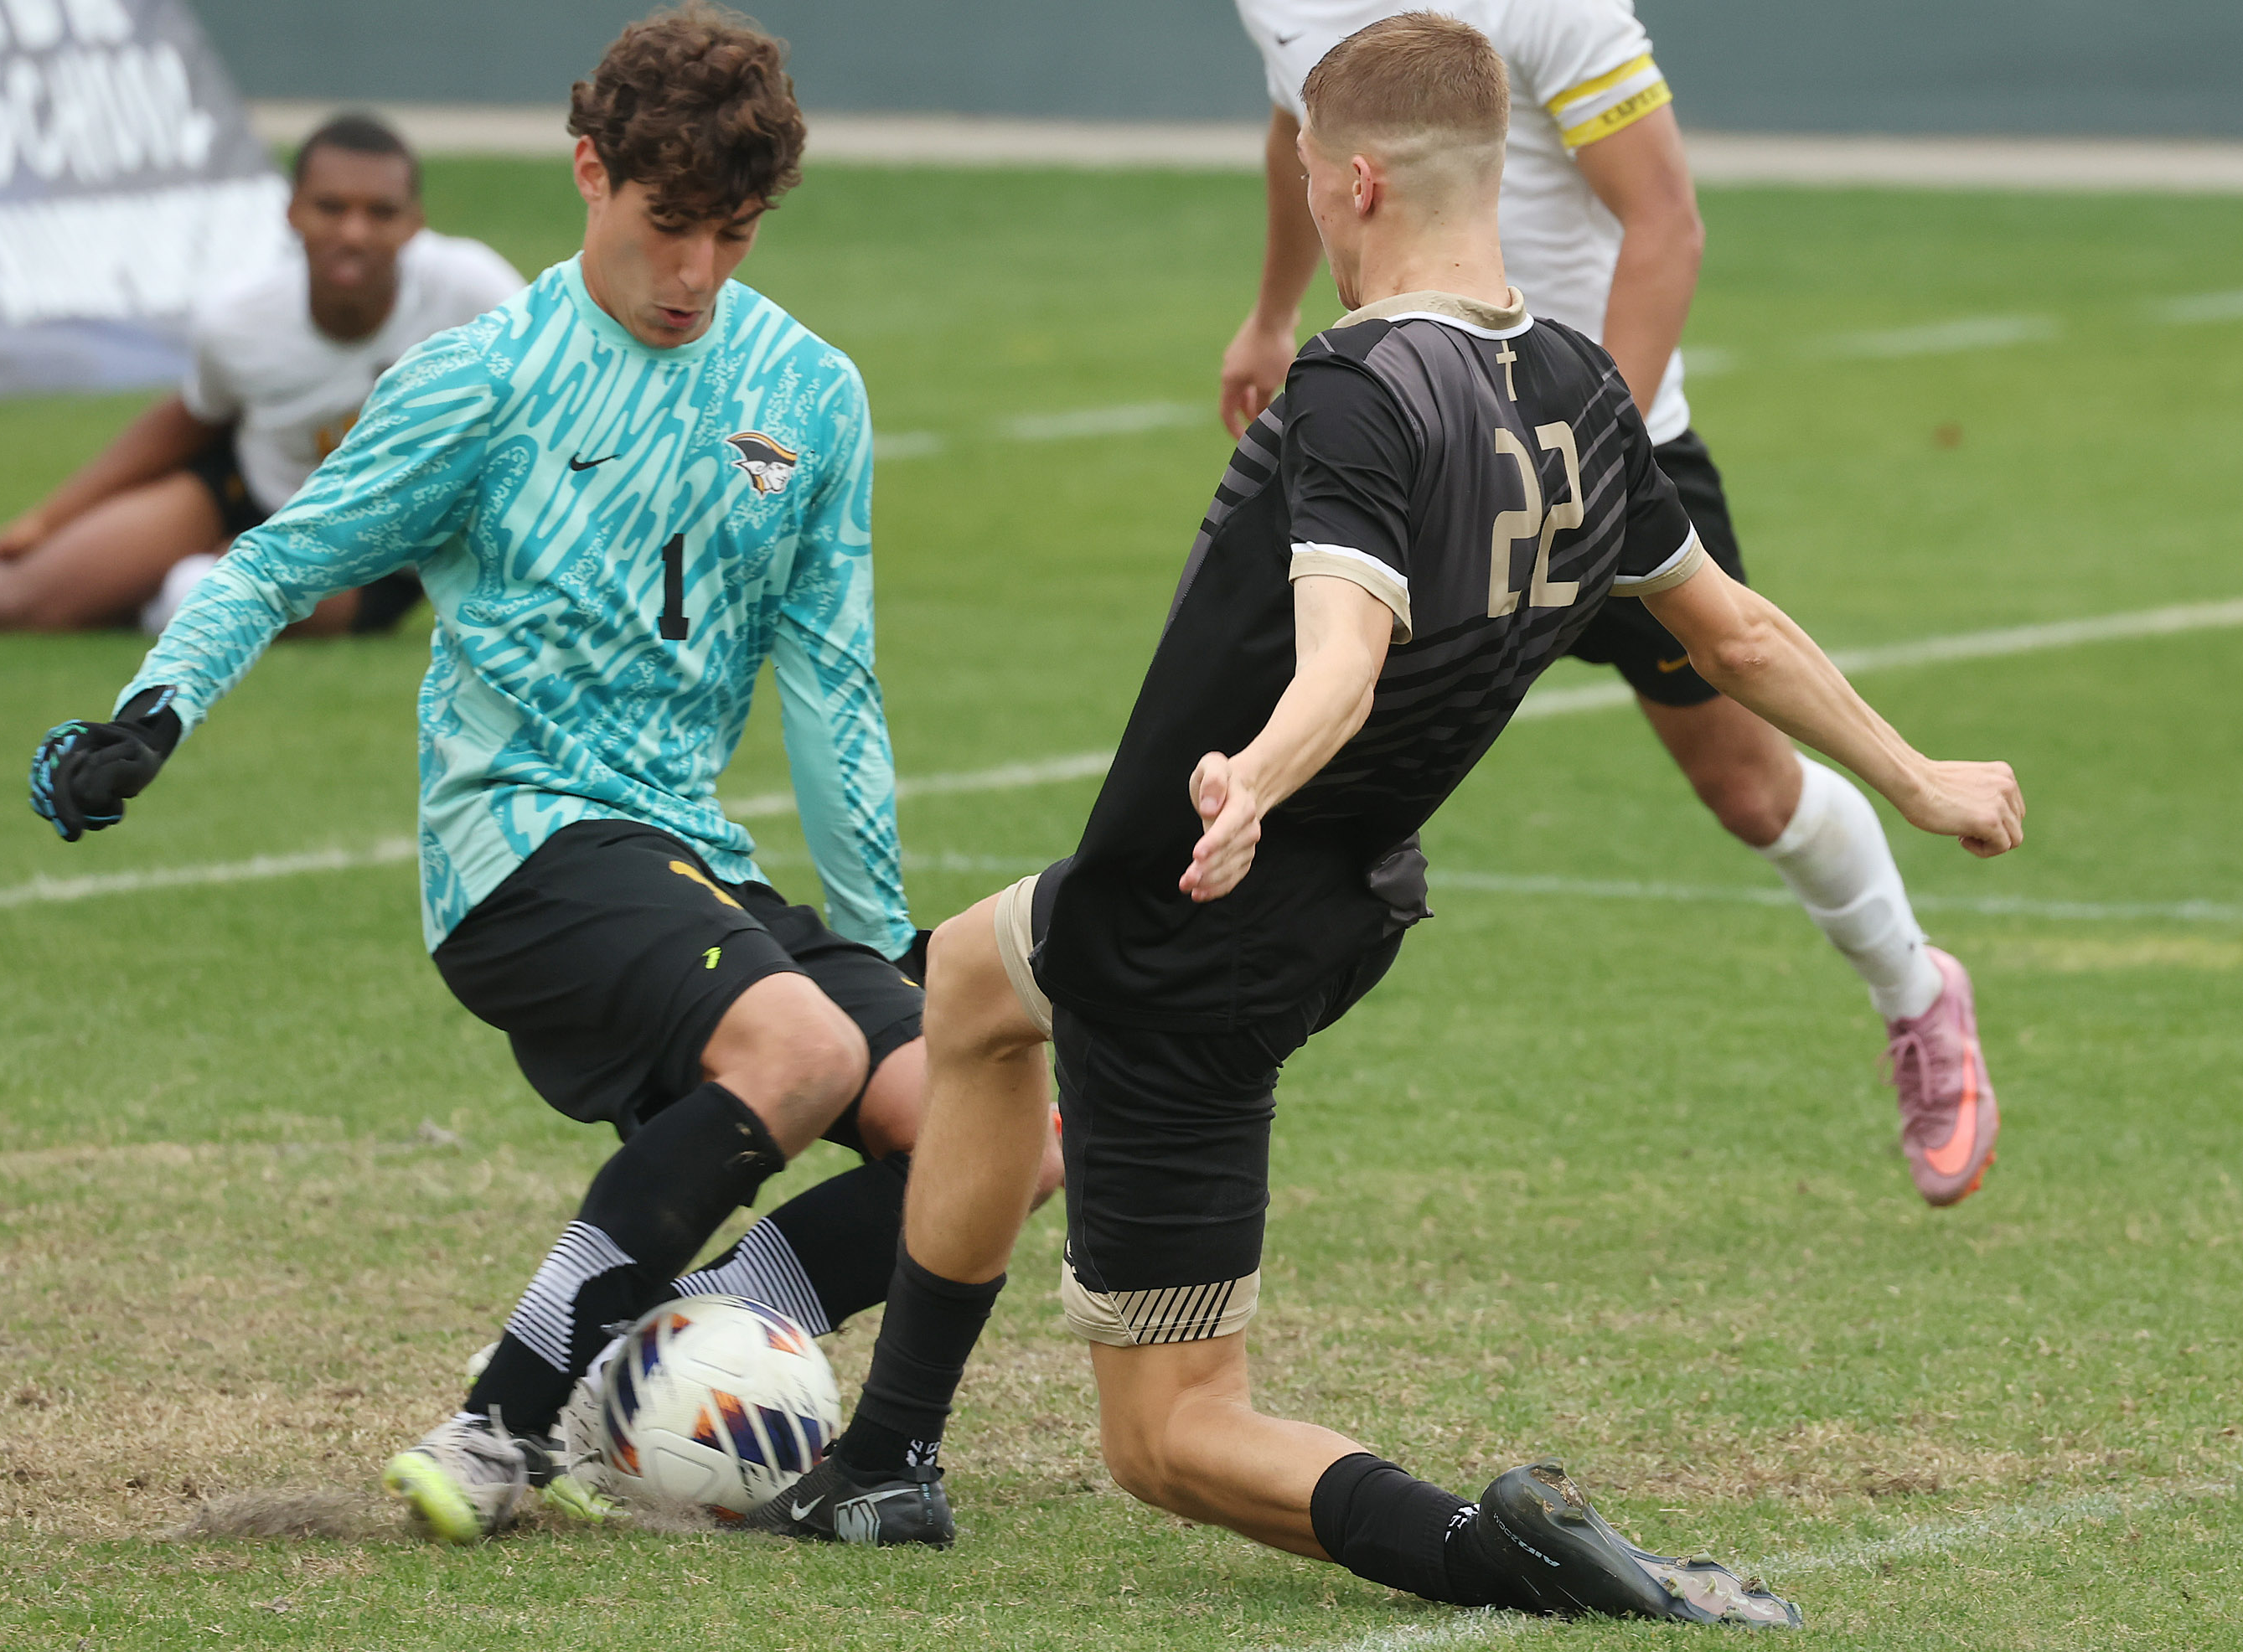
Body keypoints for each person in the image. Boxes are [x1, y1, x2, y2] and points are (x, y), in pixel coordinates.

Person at [752, 17, 2023, 1628]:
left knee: (1170, 1437)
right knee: (976, 988)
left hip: (1199, 926)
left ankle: (1502, 1556)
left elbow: (1343, 653)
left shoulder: (1357, 390)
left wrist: (1251, 780)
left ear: (1351, 179)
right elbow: (1733, 632)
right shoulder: (1575, 380)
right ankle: (886, 1458)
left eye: (1302, 170)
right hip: (1310, 884)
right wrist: (1922, 778)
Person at [24, 6, 1067, 1546]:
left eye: (733, 229)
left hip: (692, 855)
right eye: (667, 224)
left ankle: (645, 1346)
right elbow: (274, 561)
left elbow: (832, 682)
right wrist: (151, 711)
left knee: (1011, 1131)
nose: (698, 271)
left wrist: (884, 931)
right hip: (522, 843)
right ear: (588, 172)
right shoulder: (485, 379)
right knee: (794, 1048)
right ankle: (503, 1420)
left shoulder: (809, 393)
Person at [1220, 0, 1998, 1207]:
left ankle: (1916, 991)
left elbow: (1665, 225)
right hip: (1405, 441)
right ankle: (1141, 1051)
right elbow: (1301, 132)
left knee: (1747, 788)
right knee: (1297, 748)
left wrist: (1577, 456)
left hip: (1604, 435)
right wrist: (1273, 311)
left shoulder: (1545, 5)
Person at [0, 115, 522, 639]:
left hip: (380, 555)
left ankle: (164, 590)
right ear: (292, 213)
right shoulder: (241, 318)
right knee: (7, 605)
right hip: (245, 489)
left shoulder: (475, 293)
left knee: (203, 601)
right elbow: (190, 419)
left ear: (414, 222)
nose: (353, 232)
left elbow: (550, 410)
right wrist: (46, 521)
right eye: (330, 208)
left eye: (379, 212)